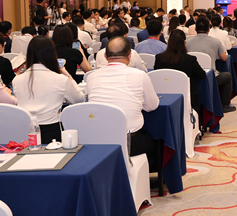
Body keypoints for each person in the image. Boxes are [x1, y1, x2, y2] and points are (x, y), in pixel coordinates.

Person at [87, 36, 160, 169]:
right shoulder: (140, 75)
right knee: (157, 142)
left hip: (99, 142)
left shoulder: (91, 77)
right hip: (130, 142)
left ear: (105, 56)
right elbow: (152, 106)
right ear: (130, 56)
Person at [12, 36, 85, 144]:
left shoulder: (17, 80)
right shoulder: (60, 79)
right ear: (52, 54)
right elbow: (79, 99)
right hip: (52, 132)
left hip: (24, 132)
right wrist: (69, 76)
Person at [186, 16, 235, 112]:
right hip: (211, 78)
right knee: (228, 76)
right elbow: (224, 58)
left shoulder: (187, 42)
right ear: (209, 29)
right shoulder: (216, 42)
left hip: (192, 77)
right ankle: (225, 105)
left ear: (195, 29)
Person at [155, 30, 206, 119]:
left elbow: (158, 76)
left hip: (164, 97)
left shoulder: (159, 58)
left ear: (169, 42)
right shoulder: (190, 60)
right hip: (188, 99)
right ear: (184, 43)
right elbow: (202, 75)